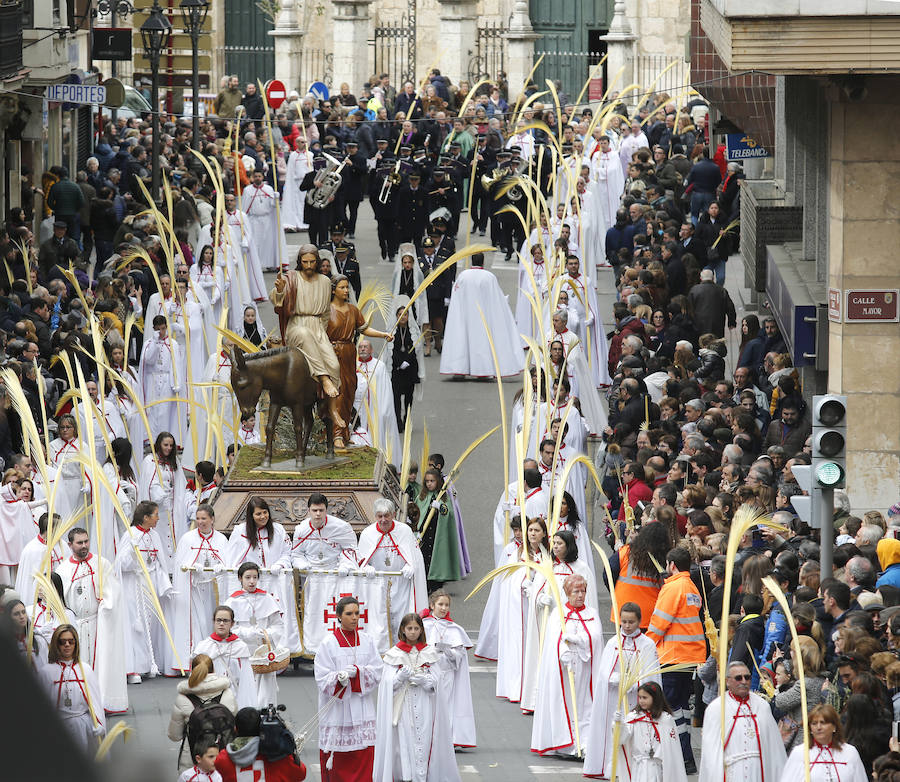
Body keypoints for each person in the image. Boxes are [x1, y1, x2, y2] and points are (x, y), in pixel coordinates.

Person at [373, 612, 460, 782]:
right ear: (403, 630)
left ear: (421, 630)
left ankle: (424, 775)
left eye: (416, 628)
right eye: (409, 628)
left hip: (424, 703)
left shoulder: (429, 652)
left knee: (425, 737)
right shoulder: (394, 654)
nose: (413, 632)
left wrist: (426, 680)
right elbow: (386, 686)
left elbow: (437, 682)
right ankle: (407, 776)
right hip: (404, 705)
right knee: (405, 739)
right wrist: (399, 678)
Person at [644, 546, 706, 773]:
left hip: (672, 655)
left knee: (668, 708)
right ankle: (685, 756)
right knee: (680, 708)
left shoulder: (673, 588)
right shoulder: (691, 587)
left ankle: (681, 756)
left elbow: (660, 623)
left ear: (671, 565)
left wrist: (644, 645)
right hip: (689, 656)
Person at [583, 602, 662, 778]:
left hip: (636, 699)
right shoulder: (613, 642)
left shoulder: (647, 644)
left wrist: (638, 683)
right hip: (614, 698)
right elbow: (603, 671)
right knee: (613, 731)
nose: (626, 626)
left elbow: (651, 674)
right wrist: (610, 678)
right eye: (624, 622)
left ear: (639, 622)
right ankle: (610, 767)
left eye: (631, 622)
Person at [270, 245, 343, 428]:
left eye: (312, 262)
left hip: (317, 326)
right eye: (305, 262)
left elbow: (326, 312)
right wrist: (279, 290)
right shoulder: (291, 278)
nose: (309, 266)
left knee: (334, 364)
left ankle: (332, 409)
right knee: (304, 335)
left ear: (317, 261)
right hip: (297, 325)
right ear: (300, 262)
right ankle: (324, 379)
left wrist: (322, 332)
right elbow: (276, 300)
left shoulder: (325, 282)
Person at [56, 525, 128, 713]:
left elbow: (113, 591)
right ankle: (81, 702)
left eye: (86, 541)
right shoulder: (63, 570)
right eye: (80, 543)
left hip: (98, 623)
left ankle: (101, 702)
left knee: (100, 664)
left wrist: (106, 604)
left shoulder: (101, 563)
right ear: (70, 545)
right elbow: (60, 600)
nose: (84, 546)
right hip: (76, 625)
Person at [530, 574, 603, 757]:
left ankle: (585, 742)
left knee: (585, 704)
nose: (580, 595)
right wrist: (563, 653)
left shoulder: (592, 614)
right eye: (576, 591)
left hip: (586, 669)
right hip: (566, 670)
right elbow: (554, 639)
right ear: (568, 593)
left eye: (583, 591)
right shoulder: (558, 614)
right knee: (567, 703)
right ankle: (565, 743)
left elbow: (596, 637)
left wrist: (578, 639)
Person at [314, 595, 383, 779]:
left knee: (364, 754)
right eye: (349, 614)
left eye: (357, 613)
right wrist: (340, 676)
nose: (354, 618)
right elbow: (321, 677)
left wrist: (358, 672)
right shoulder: (328, 644)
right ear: (338, 616)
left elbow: (377, 671)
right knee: (338, 760)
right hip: (338, 709)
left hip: (361, 706)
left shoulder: (367, 641)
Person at [326, 275, 393, 452]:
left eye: (347, 287)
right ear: (333, 290)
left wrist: (383, 335)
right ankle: (336, 434)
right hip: (332, 354)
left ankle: (345, 431)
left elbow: (364, 328)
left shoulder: (353, 310)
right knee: (337, 393)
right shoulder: (326, 310)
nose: (346, 290)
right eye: (342, 287)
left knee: (349, 391)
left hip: (349, 352)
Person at [117, 500, 178, 682]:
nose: (158, 518)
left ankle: (149, 663)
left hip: (150, 584)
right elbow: (121, 565)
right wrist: (131, 551)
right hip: (134, 585)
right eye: (155, 515)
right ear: (145, 517)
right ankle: (134, 668)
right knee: (136, 626)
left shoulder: (154, 535)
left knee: (150, 625)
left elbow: (159, 562)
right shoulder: (130, 535)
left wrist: (165, 584)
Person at [289, 492, 358, 655]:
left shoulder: (341, 527)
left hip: (335, 575)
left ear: (326, 510)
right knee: (313, 613)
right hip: (312, 578)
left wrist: (345, 564)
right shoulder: (301, 529)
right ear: (308, 511)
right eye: (314, 510)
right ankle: (313, 647)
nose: (318, 514)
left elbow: (351, 549)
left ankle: (338, 647)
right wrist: (303, 565)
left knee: (334, 612)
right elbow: (296, 554)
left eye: (321, 510)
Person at [356, 497, 428, 648]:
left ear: (394, 514)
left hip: (401, 584)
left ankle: (403, 647)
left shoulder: (404, 531)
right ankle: (380, 650)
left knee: (402, 618)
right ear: (375, 516)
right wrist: (365, 567)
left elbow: (415, 558)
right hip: (377, 585)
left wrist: (411, 566)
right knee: (380, 620)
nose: (383, 520)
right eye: (379, 516)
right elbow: (360, 560)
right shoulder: (368, 534)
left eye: (386, 515)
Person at [439, 252, 524, 378]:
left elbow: (456, 296)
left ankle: (459, 369)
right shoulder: (489, 277)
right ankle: (483, 371)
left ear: (472, 261)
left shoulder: (463, 276)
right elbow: (496, 298)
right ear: (483, 262)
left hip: (465, 316)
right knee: (482, 342)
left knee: (462, 340)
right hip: (482, 317)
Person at [700, 660, 787, 782]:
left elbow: (774, 747)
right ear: (727, 681)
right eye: (738, 678)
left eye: (747, 677)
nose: (744, 681)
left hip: (758, 770)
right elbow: (711, 752)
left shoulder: (762, 706)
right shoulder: (716, 708)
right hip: (732, 771)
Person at [173, 503, 230, 671]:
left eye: (204, 518)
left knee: (211, 622)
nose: (200, 522)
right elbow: (180, 565)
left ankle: (214, 659)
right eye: (197, 519)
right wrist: (191, 565)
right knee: (197, 624)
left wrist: (221, 567)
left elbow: (228, 563)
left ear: (212, 519)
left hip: (214, 590)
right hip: (195, 589)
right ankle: (196, 660)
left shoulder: (221, 539)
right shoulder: (188, 538)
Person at [421, 589, 476, 748]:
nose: (444, 608)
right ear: (432, 605)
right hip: (429, 671)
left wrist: (448, 651)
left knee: (447, 705)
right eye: (440, 604)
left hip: (447, 673)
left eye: (446, 605)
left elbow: (459, 655)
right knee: (429, 704)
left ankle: (447, 738)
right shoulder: (424, 625)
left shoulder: (454, 629)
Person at [225, 562, 285, 709]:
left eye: (255, 577)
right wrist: (249, 633)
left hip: (263, 650)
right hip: (242, 650)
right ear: (240, 578)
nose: (251, 581)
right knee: (243, 686)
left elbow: (278, 625)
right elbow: (229, 627)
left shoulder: (266, 598)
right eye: (248, 577)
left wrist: (266, 634)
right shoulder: (232, 601)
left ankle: (265, 714)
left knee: (265, 690)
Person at [39, 625, 106, 751]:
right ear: (55, 644)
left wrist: (100, 724)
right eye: (62, 642)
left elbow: (95, 702)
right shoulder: (46, 672)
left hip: (84, 726)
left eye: (71, 641)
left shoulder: (85, 670)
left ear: (76, 644)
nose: (67, 645)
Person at [167, 653, 238, 768]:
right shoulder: (227, 694)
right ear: (213, 670)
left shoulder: (183, 698)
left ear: (192, 670)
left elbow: (174, 736)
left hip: (192, 761)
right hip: (223, 759)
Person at [609, 681, 687, 782]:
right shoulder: (634, 717)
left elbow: (671, 748)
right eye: (640, 697)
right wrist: (618, 724)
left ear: (655, 698)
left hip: (655, 767)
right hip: (638, 766)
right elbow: (622, 738)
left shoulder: (665, 719)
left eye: (645, 698)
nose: (641, 701)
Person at [778, 703, 867, 782]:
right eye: (814, 723)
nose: (818, 727)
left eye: (823, 723)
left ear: (834, 727)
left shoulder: (850, 752)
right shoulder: (800, 753)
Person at [214, 707, 307, 782]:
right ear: (261, 728)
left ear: (235, 729)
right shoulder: (278, 757)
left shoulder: (222, 760)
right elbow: (301, 774)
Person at [192, 605, 257, 710]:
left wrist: (246, 707)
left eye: (225, 621)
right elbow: (196, 677)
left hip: (234, 698)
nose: (221, 624)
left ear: (232, 623)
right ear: (214, 622)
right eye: (218, 620)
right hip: (209, 698)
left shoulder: (240, 647)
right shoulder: (203, 646)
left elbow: (247, 680)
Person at [139, 431, 188, 568]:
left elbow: (180, 481)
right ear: (159, 444)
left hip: (172, 506)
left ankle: (172, 565)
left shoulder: (174, 461)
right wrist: (159, 495)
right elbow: (150, 483)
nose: (168, 448)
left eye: (171, 445)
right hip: (157, 507)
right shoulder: (150, 460)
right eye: (165, 445)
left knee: (172, 535)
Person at [353, 337, 401, 462]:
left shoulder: (379, 366)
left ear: (371, 350)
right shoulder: (352, 364)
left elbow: (385, 390)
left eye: (365, 347)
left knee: (375, 435)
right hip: (355, 408)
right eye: (360, 347)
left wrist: (383, 411)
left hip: (373, 409)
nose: (362, 349)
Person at [413, 468, 462, 591]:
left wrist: (441, 507)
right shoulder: (421, 497)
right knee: (424, 560)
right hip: (424, 534)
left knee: (434, 560)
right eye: (427, 481)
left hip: (436, 534)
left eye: (432, 481)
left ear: (438, 482)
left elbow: (449, 513)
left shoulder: (443, 498)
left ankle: (435, 585)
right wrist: (416, 532)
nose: (429, 483)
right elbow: (415, 514)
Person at [242, 169, 288, 273]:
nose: (257, 178)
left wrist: (276, 199)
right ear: (252, 178)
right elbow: (244, 207)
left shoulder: (268, 189)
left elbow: (273, 206)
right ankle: (255, 265)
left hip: (267, 220)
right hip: (253, 220)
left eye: (259, 176)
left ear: (263, 177)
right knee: (256, 243)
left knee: (268, 243)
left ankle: (270, 264)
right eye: (256, 176)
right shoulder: (247, 190)